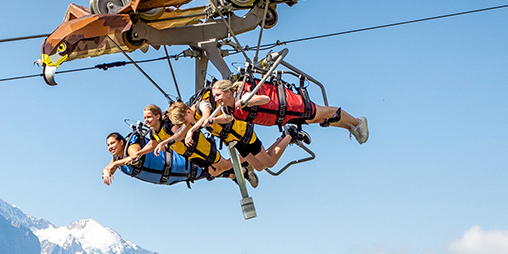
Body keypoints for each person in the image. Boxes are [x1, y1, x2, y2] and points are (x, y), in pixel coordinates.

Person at [189, 81, 293, 177]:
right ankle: (282, 139)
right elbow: (227, 118)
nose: (216, 99)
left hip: (245, 135)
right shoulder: (225, 106)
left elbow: (266, 99)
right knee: (260, 166)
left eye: (218, 95)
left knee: (269, 162)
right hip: (235, 141)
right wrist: (214, 120)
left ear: (229, 92)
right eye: (214, 96)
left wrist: (246, 102)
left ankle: (291, 134)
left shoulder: (240, 96)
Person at [234, 76, 368, 144]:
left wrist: (247, 101)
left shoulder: (242, 95)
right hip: (285, 115)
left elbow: (264, 99)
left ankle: (358, 122)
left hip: (291, 105)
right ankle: (350, 127)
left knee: (326, 112)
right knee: (321, 119)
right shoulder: (231, 109)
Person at [101, 131, 206, 186]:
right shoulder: (117, 158)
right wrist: (106, 171)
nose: (110, 147)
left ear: (121, 142)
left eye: (112, 143)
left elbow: (134, 157)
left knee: (211, 169)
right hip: (175, 175)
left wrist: (114, 165)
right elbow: (107, 168)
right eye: (108, 145)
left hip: (180, 165)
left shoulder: (130, 147)